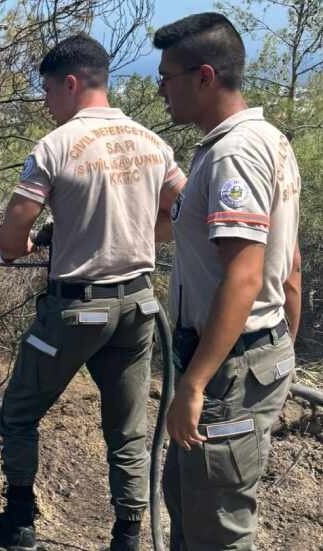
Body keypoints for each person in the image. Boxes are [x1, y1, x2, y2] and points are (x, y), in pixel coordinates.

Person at [0, 35, 186, 551]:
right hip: (137, 306)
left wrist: (33, 240)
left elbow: (9, 243)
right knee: (129, 431)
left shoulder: (55, 146)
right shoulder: (153, 142)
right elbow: (180, 211)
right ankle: (128, 537)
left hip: (75, 310)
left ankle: (20, 523)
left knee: (20, 411)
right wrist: (135, 236)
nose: (47, 104)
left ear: (71, 84)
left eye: (48, 91)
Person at [153, 13, 301, 550]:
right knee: (190, 499)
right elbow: (290, 263)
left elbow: (244, 274)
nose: (161, 90)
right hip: (249, 356)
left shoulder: (233, 154)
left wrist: (195, 383)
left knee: (217, 523)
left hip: (228, 366)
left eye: (166, 77)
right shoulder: (267, 140)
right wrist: (279, 353)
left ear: (205, 76)